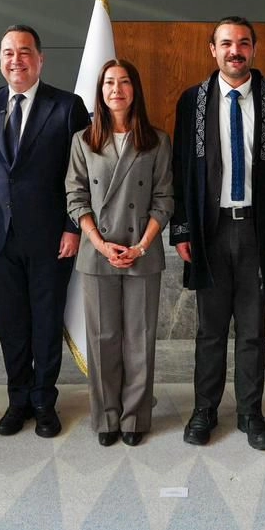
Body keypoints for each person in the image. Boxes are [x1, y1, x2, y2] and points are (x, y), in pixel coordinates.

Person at [170, 16, 265, 451]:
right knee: (209, 330)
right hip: (209, 232)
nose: (235, 51)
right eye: (226, 43)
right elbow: (180, 168)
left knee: (251, 330)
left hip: (258, 232)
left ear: (254, 49)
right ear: (213, 49)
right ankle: (204, 410)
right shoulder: (192, 101)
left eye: (243, 43)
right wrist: (182, 229)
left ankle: (250, 412)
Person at [0, 25, 90, 439]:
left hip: (51, 239)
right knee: (10, 325)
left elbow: (81, 174)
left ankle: (43, 401)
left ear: (40, 59)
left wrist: (73, 227)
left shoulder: (68, 106)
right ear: (0, 60)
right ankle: (17, 399)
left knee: (46, 322)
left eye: (24, 52)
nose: (16, 60)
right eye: (8, 52)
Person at [65, 59, 173, 446]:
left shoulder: (157, 140)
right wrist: (100, 243)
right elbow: (76, 197)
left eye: (124, 82)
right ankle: (106, 416)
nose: (116, 89)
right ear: (100, 91)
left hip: (143, 251)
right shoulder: (83, 140)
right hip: (98, 253)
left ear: (135, 89)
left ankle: (135, 417)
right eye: (109, 82)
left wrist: (141, 245)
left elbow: (164, 199)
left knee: (139, 338)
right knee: (103, 338)